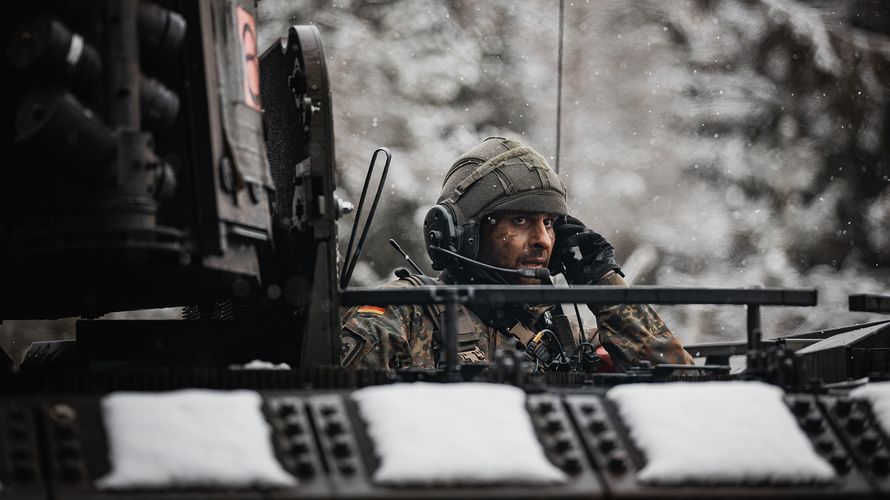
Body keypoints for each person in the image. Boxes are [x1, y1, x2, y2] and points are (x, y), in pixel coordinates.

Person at [340, 137, 694, 371]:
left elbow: (682, 388)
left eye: (551, 223)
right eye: (521, 220)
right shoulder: (400, 318)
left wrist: (606, 287)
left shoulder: (563, 333)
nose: (543, 240)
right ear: (467, 234)